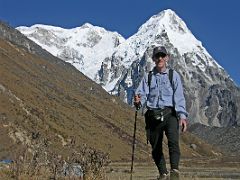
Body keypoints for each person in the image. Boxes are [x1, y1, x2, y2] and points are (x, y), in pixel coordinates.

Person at [134, 46, 188, 179]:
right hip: (153, 115)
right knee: (156, 146)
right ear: (153, 59)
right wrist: (138, 101)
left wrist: (182, 116)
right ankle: (163, 173)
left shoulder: (173, 75)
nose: (160, 58)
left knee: (173, 141)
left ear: (167, 58)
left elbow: (179, 96)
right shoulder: (148, 77)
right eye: (157, 56)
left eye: (162, 56)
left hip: (170, 114)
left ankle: (174, 172)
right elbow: (141, 95)